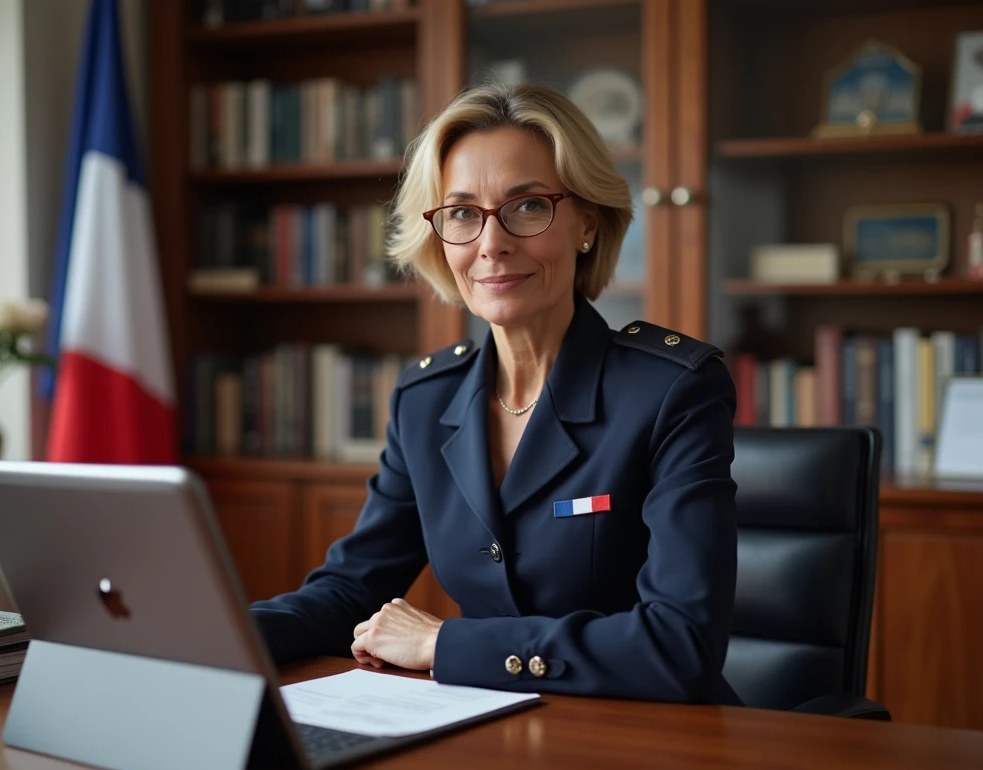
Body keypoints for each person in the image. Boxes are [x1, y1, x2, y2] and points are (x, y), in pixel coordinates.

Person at [250, 83, 741, 705]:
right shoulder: (426, 399)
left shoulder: (672, 391)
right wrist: (215, 634)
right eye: (461, 214)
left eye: (528, 206)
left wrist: (445, 645)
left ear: (587, 223)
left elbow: (681, 645)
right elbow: (349, 590)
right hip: (489, 727)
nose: (491, 243)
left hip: (649, 736)